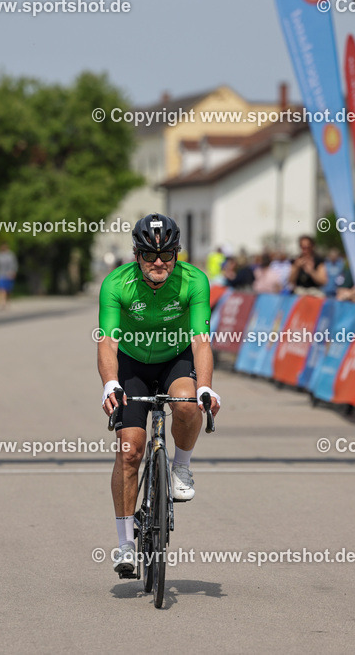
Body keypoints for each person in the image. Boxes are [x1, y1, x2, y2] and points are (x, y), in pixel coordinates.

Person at [98, 213, 221, 577]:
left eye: (167, 255)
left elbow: (201, 341)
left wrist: (206, 386)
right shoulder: (116, 284)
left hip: (175, 358)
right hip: (132, 364)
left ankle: (180, 467)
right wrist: (110, 383)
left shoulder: (194, 281)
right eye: (150, 256)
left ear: (176, 254)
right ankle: (124, 544)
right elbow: (107, 342)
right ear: (136, 255)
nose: (159, 264)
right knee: (130, 449)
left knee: (186, 404)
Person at [0, 243, 18, 311]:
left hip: (8, 275)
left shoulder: (11, 255)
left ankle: (7, 301)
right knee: (0, 289)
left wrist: (13, 272)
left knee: (7, 290)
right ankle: (1, 302)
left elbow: (14, 264)